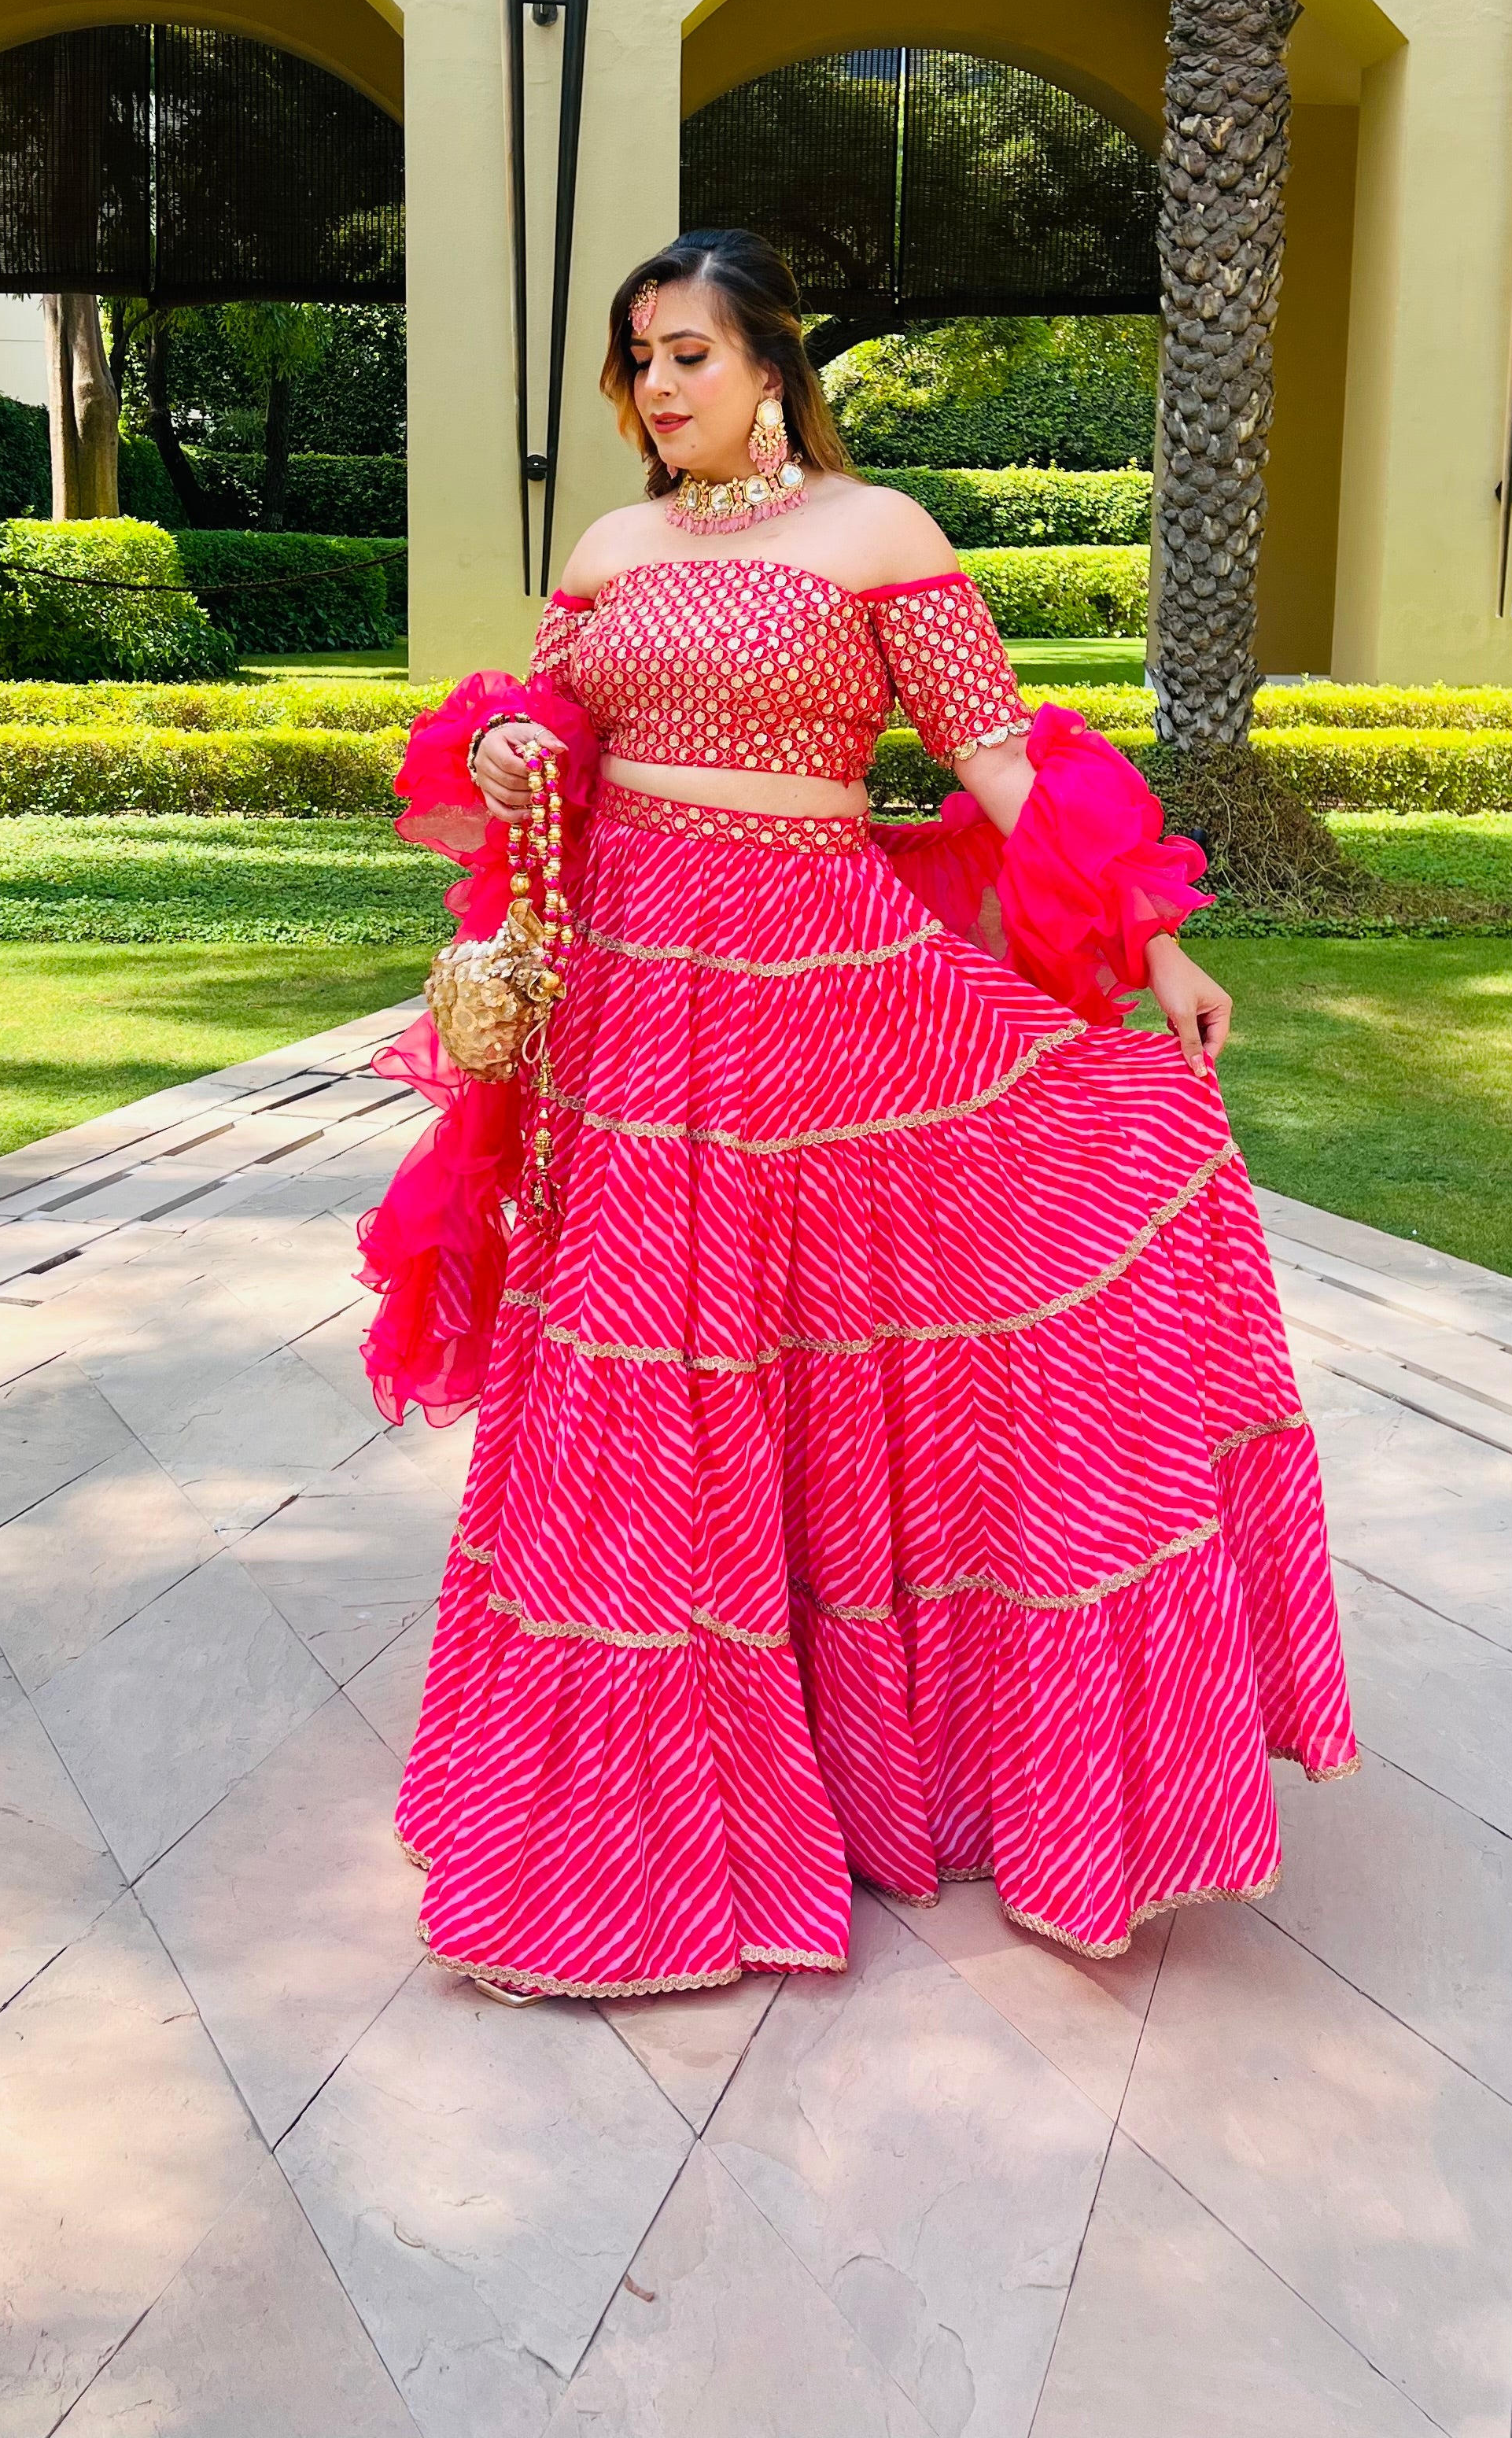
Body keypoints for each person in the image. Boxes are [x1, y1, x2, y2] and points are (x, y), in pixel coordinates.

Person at [360, 228, 1357, 2005]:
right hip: (630, 1011)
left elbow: (1004, 765)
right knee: (639, 1379)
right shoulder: (609, 546)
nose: (657, 388)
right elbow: (544, 734)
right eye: (639, 360)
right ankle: (621, 1854)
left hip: (827, 995)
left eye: (687, 355)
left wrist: (1157, 941)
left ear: (769, 369)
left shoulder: (878, 534)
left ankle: (927, 1772)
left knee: (839, 1347)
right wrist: (514, 750)